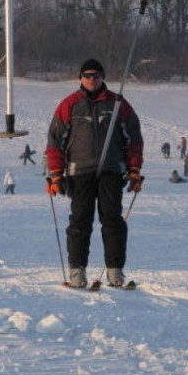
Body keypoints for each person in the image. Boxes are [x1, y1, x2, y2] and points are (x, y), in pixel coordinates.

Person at [45, 59, 144, 289]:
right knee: (80, 221)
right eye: (87, 75)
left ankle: (115, 270)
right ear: (81, 77)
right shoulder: (69, 104)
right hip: (80, 172)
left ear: (103, 77)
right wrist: (56, 174)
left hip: (111, 171)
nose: (92, 79)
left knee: (113, 220)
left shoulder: (118, 104)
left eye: (96, 75)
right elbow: (54, 141)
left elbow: (134, 139)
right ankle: (77, 270)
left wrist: (134, 171)